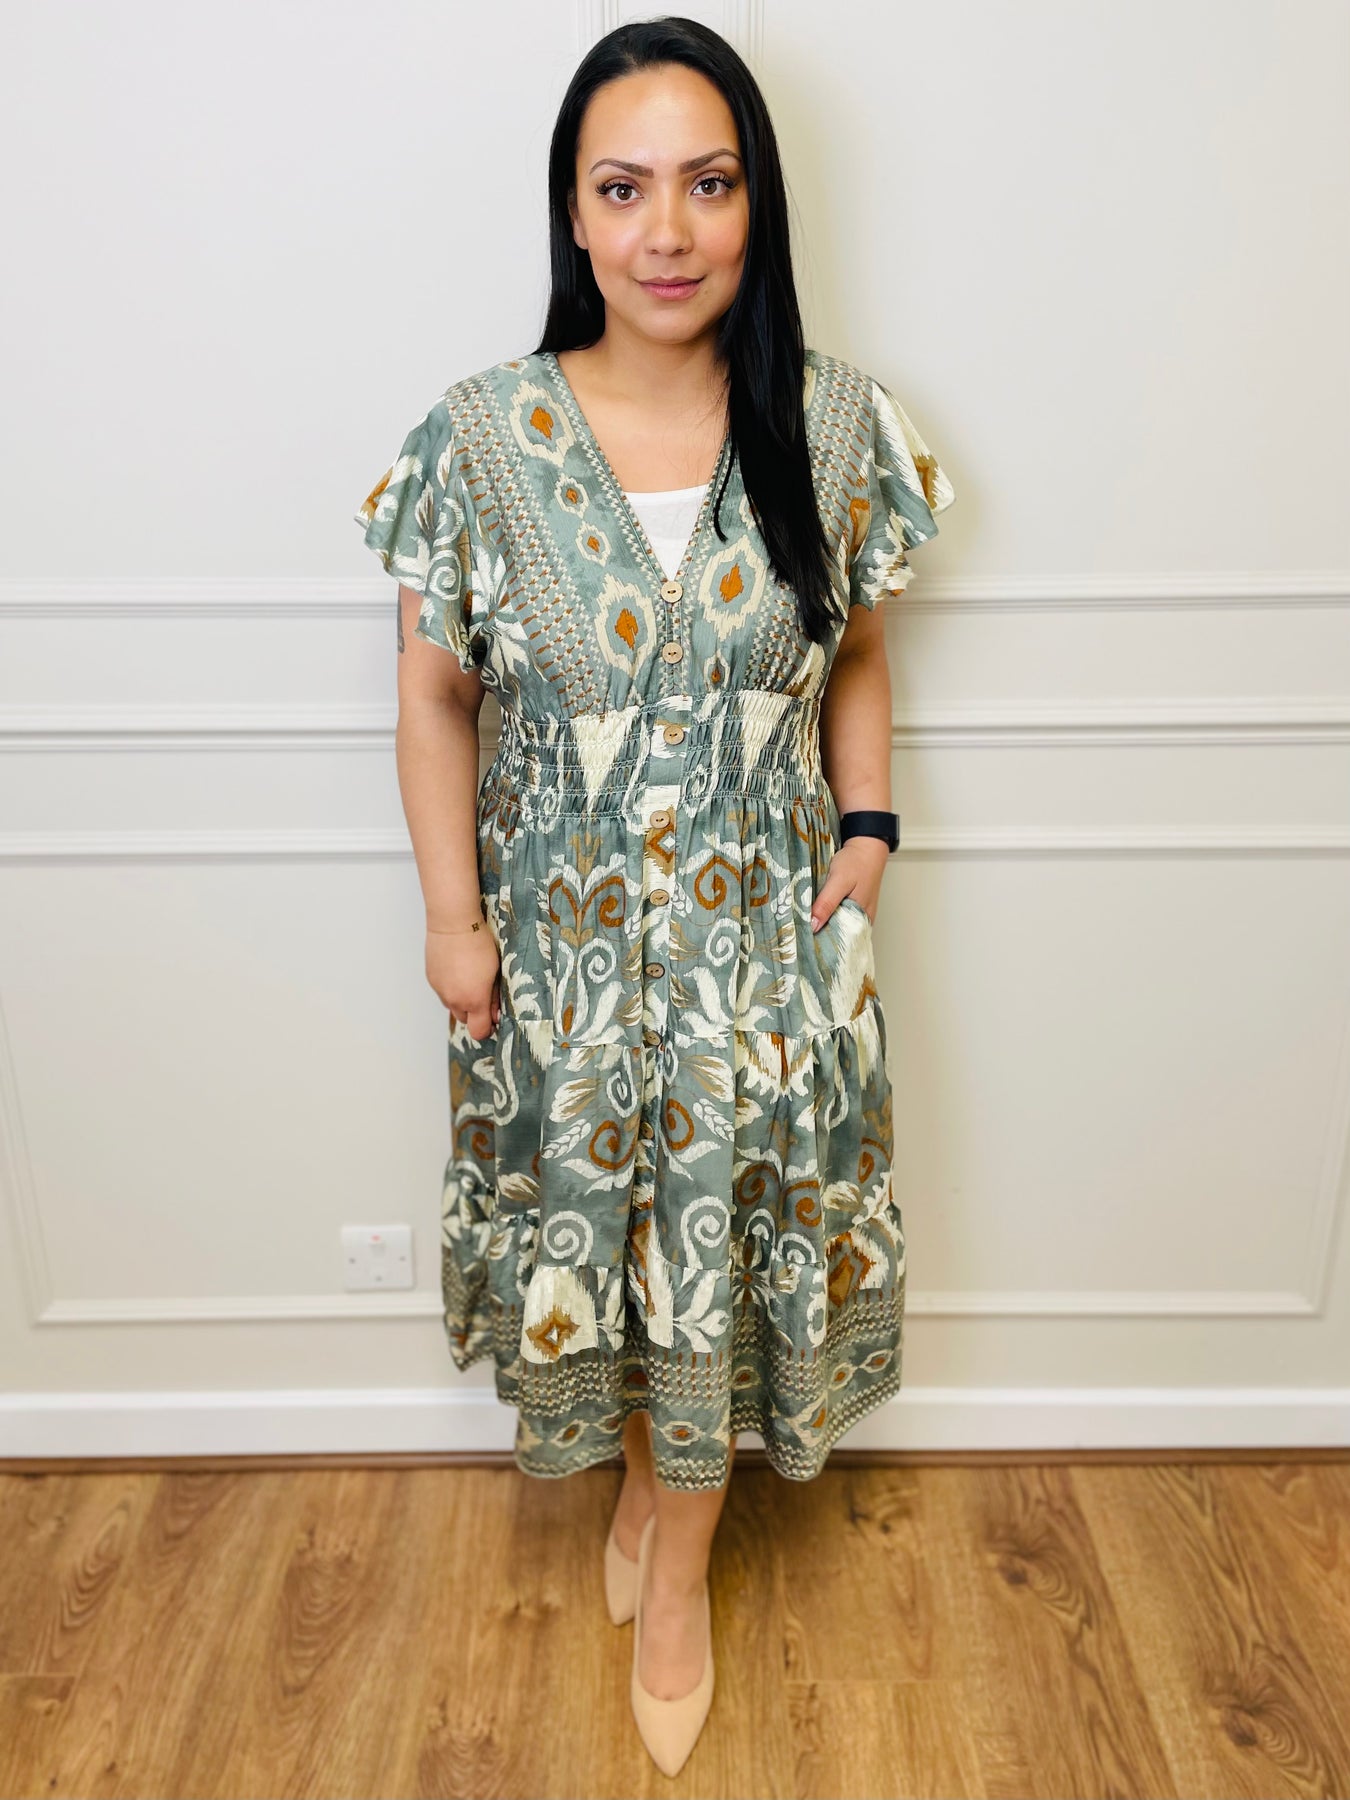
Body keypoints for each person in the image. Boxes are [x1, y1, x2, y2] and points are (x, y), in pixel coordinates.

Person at [354, 14, 955, 1776]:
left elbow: (856, 652)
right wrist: (453, 923)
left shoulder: (834, 425)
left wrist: (867, 834)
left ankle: (678, 1574)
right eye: (623, 190)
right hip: (552, 958)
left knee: (717, 1259)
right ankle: (634, 1496)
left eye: (709, 184)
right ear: (573, 210)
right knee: (610, 1250)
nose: (667, 231)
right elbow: (430, 698)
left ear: (758, 203)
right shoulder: (479, 439)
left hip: (767, 955)